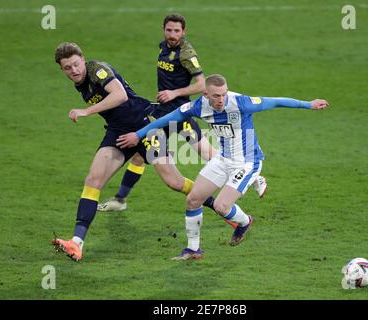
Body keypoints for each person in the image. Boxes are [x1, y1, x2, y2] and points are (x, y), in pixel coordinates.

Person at [116, 74, 329, 260]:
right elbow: (166, 119)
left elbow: (274, 102)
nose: (221, 99)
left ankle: (245, 222)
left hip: (246, 162)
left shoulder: (241, 103)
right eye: (216, 95)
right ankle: (193, 250)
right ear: (206, 94)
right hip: (222, 159)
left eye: (223, 94)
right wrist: (138, 134)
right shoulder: (198, 106)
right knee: (193, 199)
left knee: (221, 206)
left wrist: (308, 104)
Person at [51, 42, 214, 261]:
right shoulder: (80, 83)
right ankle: (77, 243)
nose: (74, 70)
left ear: (83, 59)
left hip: (144, 125)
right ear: (62, 70)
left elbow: (120, 96)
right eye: (68, 68)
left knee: (174, 182)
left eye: (76, 64)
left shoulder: (98, 70)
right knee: (93, 180)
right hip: (118, 132)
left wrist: (86, 111)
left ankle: (222, 207)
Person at [98, 13, 267, 213]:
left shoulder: (186, 54)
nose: (172, 34)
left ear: (183, 32)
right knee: (140, 155)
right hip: (165, 112)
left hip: (180, 113)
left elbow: (202, 84)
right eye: (169, 30)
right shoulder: (163, 48)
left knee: (206, 155)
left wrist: (173, 92)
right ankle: (120, 199)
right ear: (163, 29)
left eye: (176, 31)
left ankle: (251, 177)